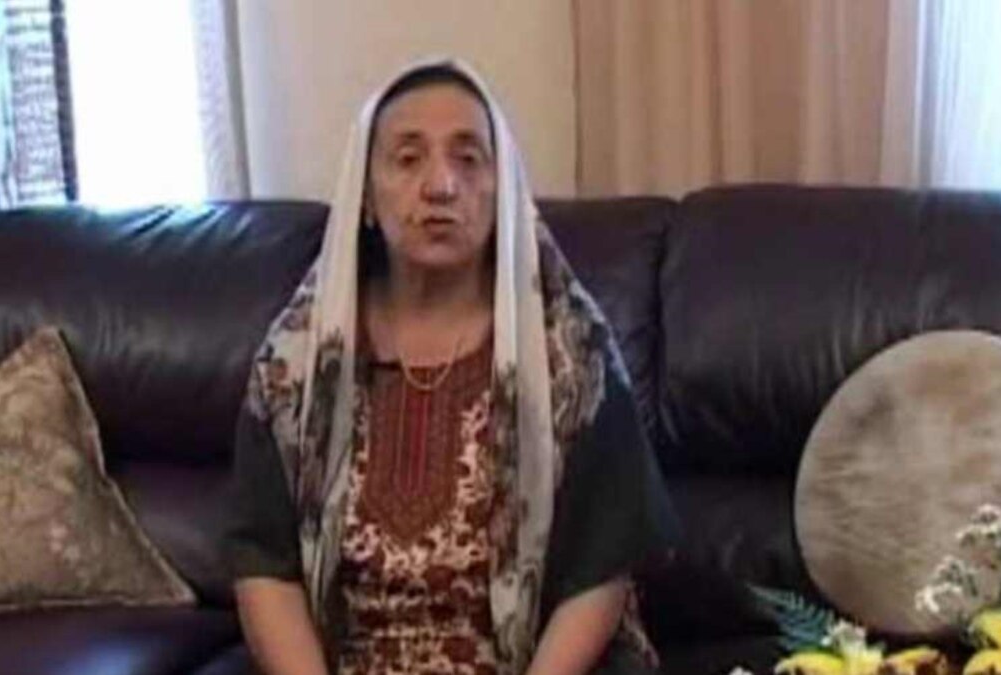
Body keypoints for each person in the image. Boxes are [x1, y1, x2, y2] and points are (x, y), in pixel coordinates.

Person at [226, 58, 678, 675]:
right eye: (408, 158)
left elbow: (602, 570)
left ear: (503, 191)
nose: (441, 185)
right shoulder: (295, 363)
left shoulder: (571, 352)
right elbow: (264, 565)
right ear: (365, 196)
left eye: (468, 159)